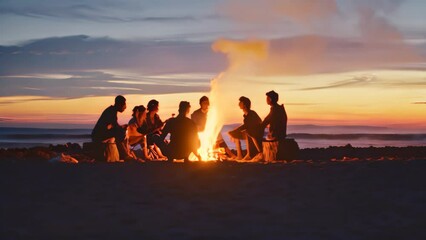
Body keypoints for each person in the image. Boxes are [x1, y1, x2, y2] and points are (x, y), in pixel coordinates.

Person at [91, 95, 134, 161]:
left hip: (101, 134)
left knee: (121, 131)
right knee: (120, 133)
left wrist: (121, 127)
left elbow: (114, 125)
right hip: (98, 135)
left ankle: (125, 153)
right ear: (120, 104)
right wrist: (121, 128)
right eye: (124, 105)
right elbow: (112, 126)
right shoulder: (111, 111)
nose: (125, 107)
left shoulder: (112, 110)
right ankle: (124, 155)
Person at [228, 96, 263, 161]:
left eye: (240, 102)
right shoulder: (246, 114)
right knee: (235, 134)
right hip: (250, 132)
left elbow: (247, 126)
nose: (239, 104)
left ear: (244, 105)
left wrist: (235, 130)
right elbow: (245, 125)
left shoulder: (251, 114)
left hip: (254, 134)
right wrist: (233, 132)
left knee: (247, 132)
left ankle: (249, 154)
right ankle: (239, 155)